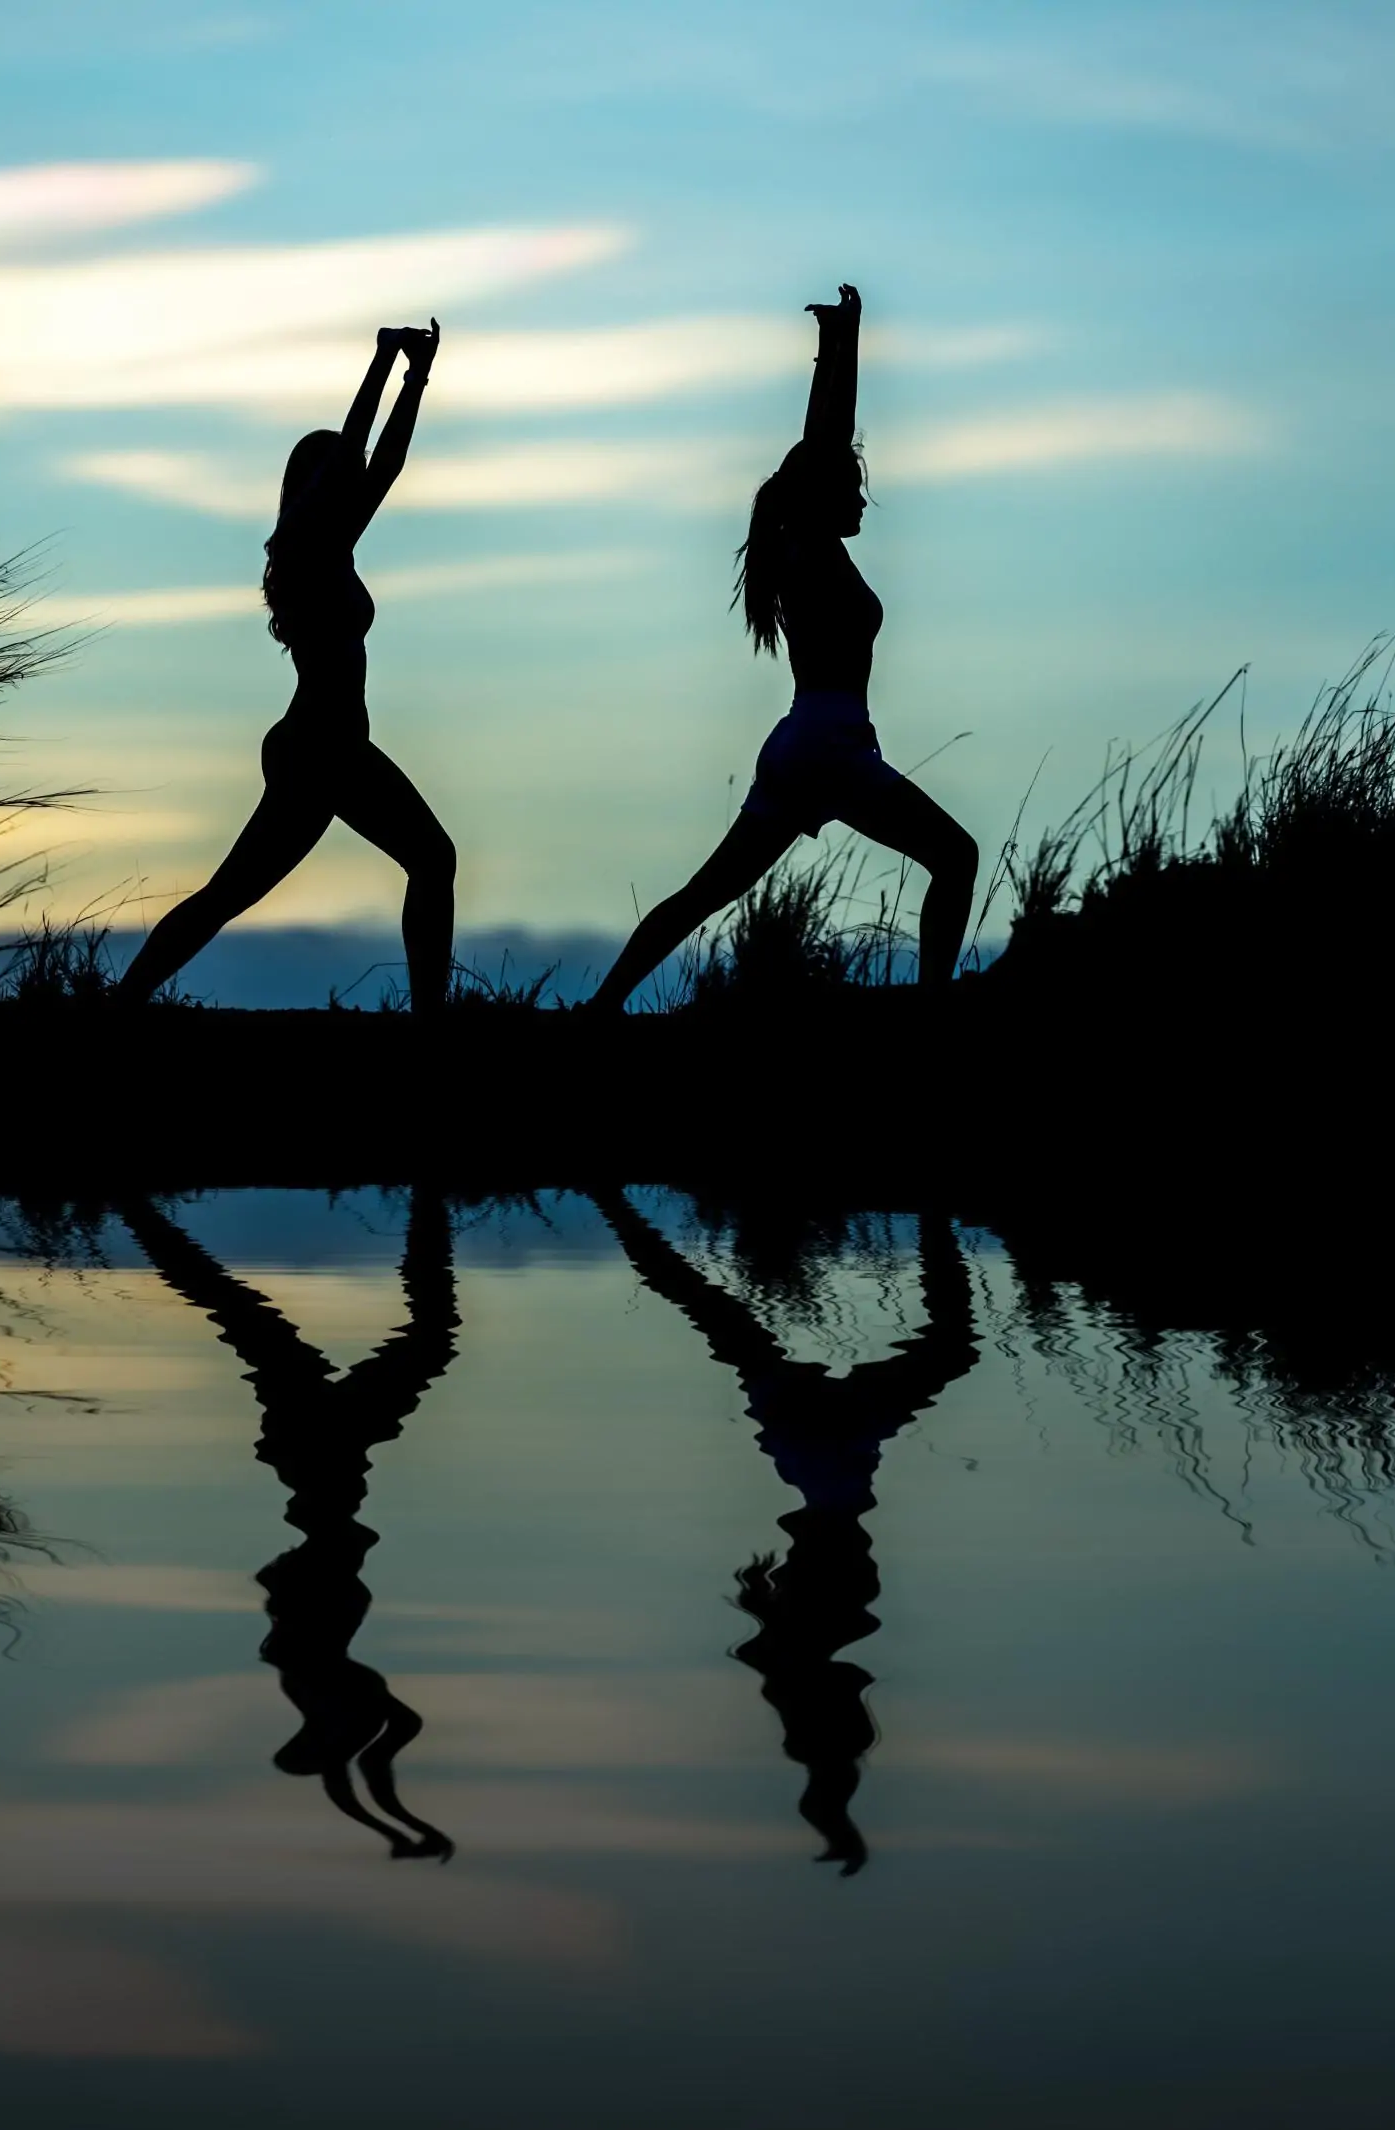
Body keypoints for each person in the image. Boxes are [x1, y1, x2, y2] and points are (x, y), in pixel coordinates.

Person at [587, 286, 978, 1009]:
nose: (864, 500)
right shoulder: (810, 548)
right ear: (824, 499)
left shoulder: (805, 543)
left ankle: (602, 1006)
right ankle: (934, 1009)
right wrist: (849, 339)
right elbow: (827, 440)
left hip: (810, 745)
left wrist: (832, 345)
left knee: (703, 894)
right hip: (828, 747)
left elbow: (819, 447)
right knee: (956, 856)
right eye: (854, 490)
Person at [590, 1188, 978, 1874]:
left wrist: (834, 1806)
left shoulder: (831, 1636)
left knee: (943, 1344)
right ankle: (614, 1206)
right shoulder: (793, 1658)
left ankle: (935, 1214)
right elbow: (785, 1667)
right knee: (717, 1315)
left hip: (836, 1446)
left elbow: (821, 1706)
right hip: (815, 1448)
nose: (863, 1690)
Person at [117, 323, 456, 1009]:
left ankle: (121, 1001)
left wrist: (417, 378)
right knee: (231, 895)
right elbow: (359, 448)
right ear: (314, 486)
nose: (353, 481)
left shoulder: (334, 548)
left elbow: (383, 464)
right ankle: (120, 1002)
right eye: (337, 474)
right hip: (318, 750)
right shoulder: (303, 550)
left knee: (427, 861)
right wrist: (384, 359)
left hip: (334, 747)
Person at [122, 1189, 459, 1860]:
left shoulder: (317, 1683)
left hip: (322, 1457)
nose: (328, 1758)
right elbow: (362, 1768)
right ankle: (138, 1212)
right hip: (323, 1461)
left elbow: (367, 1757)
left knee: (258, 1319)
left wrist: (400, 1826)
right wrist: (398, 1828)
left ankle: (136, 1210)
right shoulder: (335, 1702)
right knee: (251, 1319)